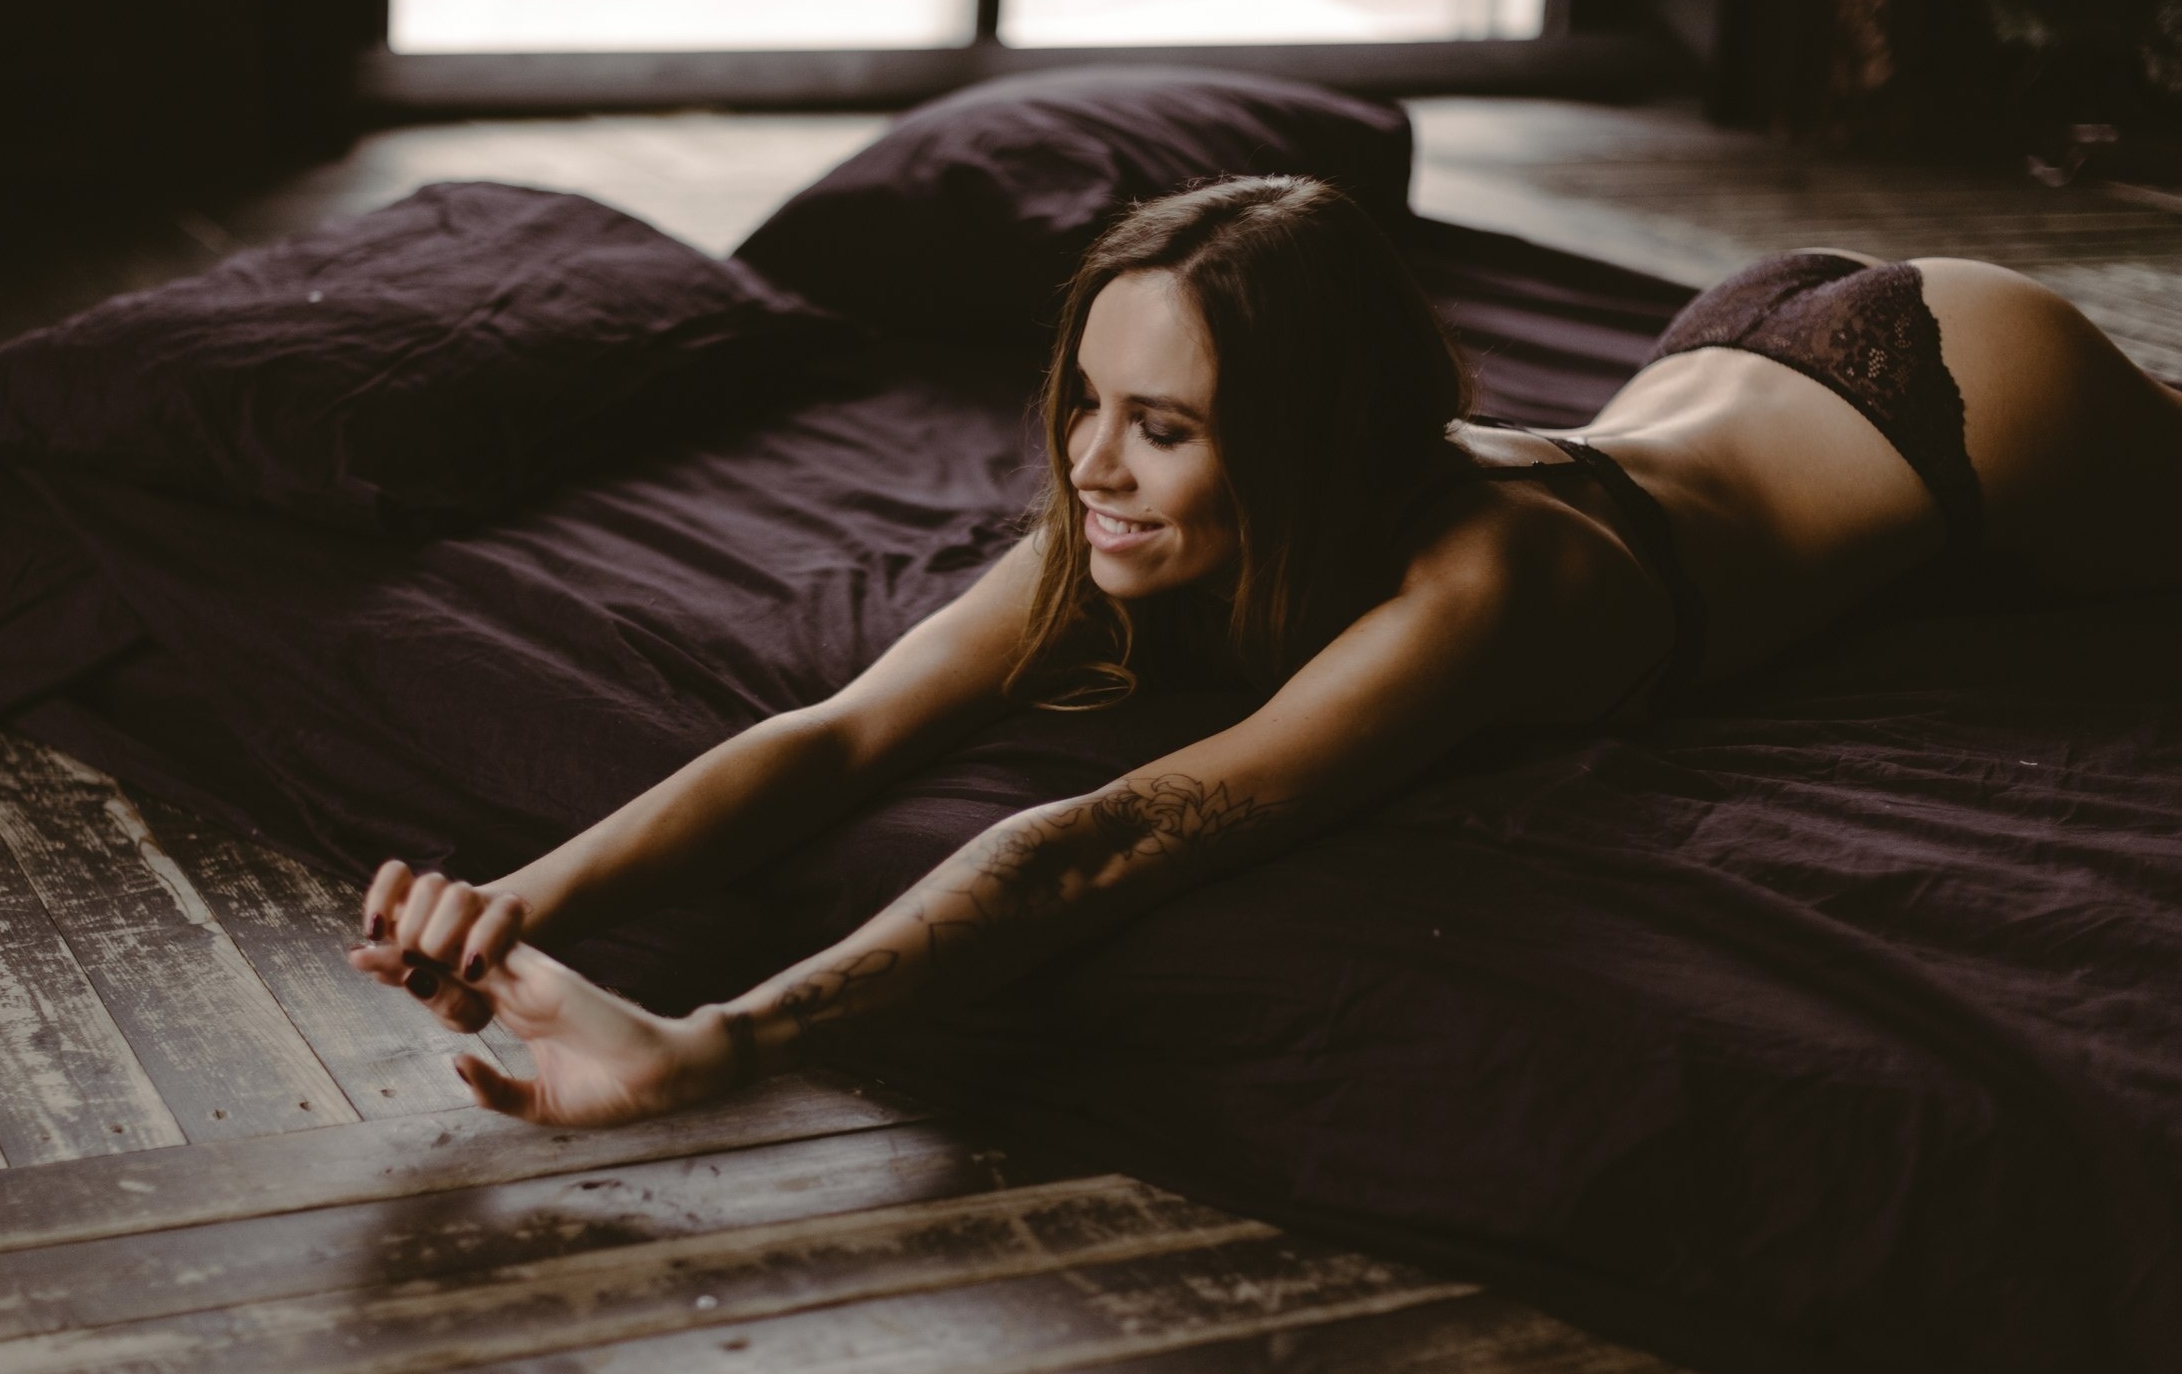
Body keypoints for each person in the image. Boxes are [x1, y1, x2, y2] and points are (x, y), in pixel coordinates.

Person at [345, 174, 2182, 1127]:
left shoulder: (1483, 593)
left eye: (1164, 428)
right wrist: (519, 900)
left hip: (1953, 390)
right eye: (1086, 402)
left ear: (1298, 444)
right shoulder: (1135, 500)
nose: (1090, 467)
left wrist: (715, 1046)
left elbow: (1117, 829)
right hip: (1724, 345)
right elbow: (844, 734)